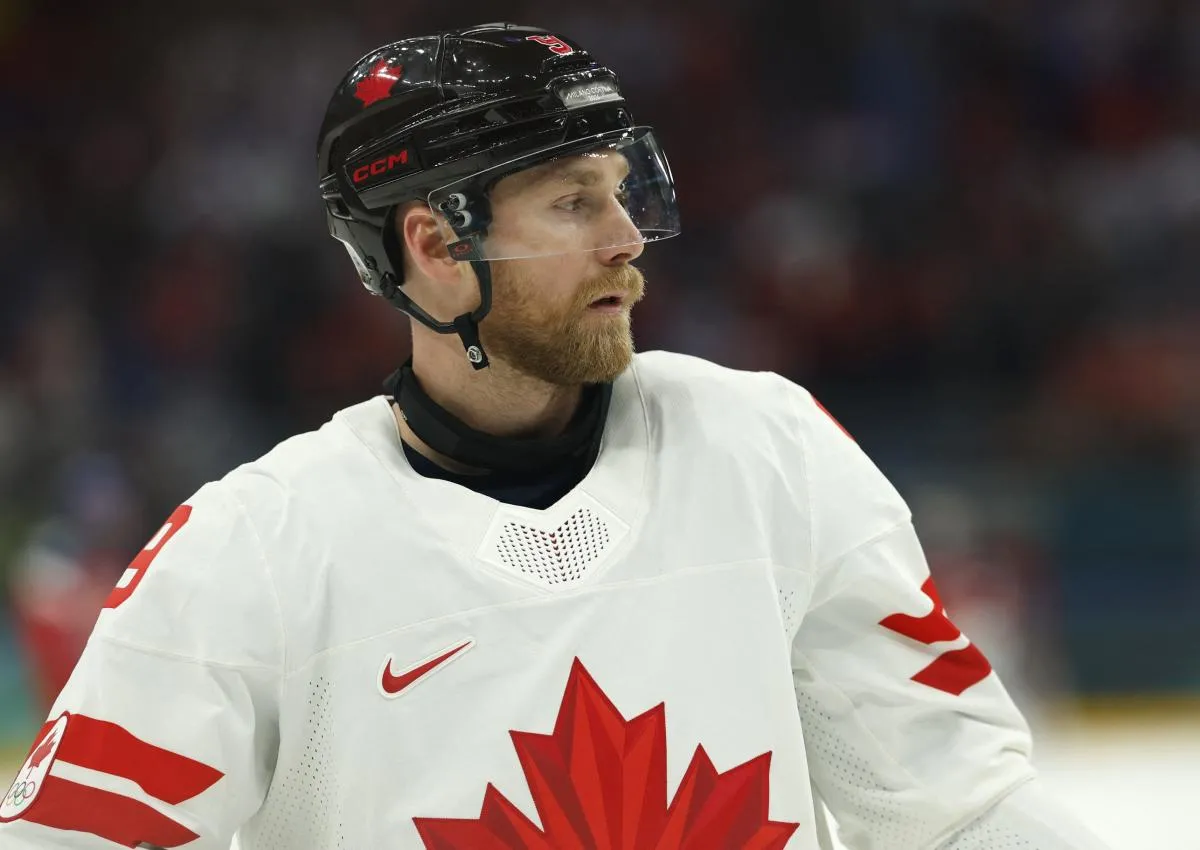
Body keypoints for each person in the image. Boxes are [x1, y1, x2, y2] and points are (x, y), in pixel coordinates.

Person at [0, 22, 1112, 850]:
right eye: (574, 204)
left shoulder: (765, 449)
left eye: (624, 192)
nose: (630, 238)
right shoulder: (255, 548)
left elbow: (958, 808)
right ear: (435, 243)